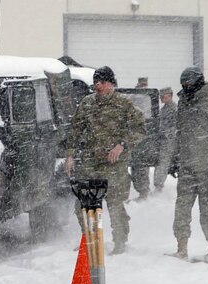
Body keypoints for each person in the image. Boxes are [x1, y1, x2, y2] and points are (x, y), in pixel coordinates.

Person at [65, 66, 146, 255]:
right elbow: (75, 130)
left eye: (102, 82)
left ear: (111, 83)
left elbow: (140, 129)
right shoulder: (87, 103)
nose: (98, 86)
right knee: (84, 204)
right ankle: (90, 239)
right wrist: (70, 155)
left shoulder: (124, 104)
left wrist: (122, 145)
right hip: (89, 162)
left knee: (115, 204)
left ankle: (120, 242)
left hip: (113, 165)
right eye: (95, 82)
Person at [168, 67, 208, 262]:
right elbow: (180, 134)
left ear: (198, 82)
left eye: (189, 84)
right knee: (181, 209)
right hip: (187, 167)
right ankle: (182, 248)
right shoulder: (184, 104)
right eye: (183, 84)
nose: (186, 87)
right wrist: (174, 159)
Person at [154, 87, 178, 192]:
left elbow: (177, 126)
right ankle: (158, 185)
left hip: (170, 141)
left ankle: (159, 186)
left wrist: (165, 133)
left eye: (163, 96)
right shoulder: (164, 109)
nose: (161, 98)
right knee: (161, 162)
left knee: (163, 163)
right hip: (163, 140)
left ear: (169, 96)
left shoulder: (174, 109)